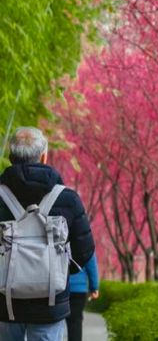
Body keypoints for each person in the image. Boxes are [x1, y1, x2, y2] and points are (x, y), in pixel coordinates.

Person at [0, 128, 95, 341]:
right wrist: (58, 268)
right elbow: (85, 249)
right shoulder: (67, 199)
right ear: (44, 156)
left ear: (11, 156)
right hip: (50, 304)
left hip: (5, 304)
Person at [66, 254, 99, 341]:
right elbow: (91, 265)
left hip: (57, 289)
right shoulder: (84, 240)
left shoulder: (55, 239)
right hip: (78, 289)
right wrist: (94, 287)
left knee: (54, 325)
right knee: (75, 323)